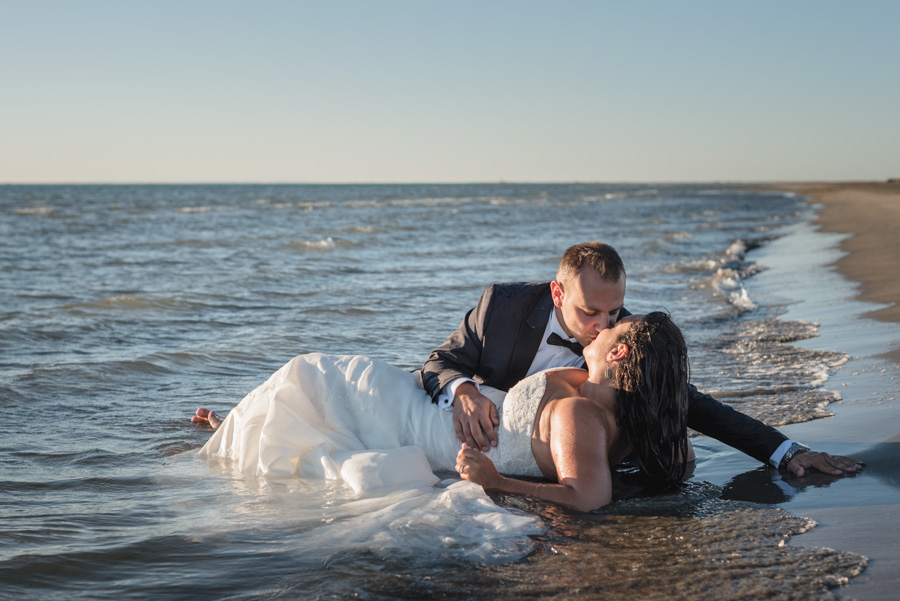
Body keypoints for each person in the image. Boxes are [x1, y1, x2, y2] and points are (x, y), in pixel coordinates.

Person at [420, 241, 863, 478]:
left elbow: (692, 403)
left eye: (613, 311)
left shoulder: (624, 336)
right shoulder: (502, 306)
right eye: (589, 311)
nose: (602, 324)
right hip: (487, 439)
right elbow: (440, 362)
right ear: (558, 293)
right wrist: (464, 392)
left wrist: (786, 453)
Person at [193, 313, 693, 511]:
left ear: (621, 354)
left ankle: (233, 429)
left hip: (425, 429)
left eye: (613, 328)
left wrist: (496, 481)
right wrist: (467, 390)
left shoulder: (580, 415)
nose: (601, 328)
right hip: (435, 403)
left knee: (312, 374)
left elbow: (587, 496)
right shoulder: (613, 404)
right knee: (316, 379)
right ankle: (234, 424)